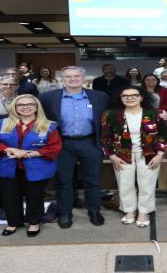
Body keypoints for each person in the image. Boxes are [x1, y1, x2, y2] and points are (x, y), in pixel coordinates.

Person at [39, 66, 109, 228]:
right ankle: (65, 211)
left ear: (83, 78)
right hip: (61, 143)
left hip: (90, 142)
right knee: (63, 179)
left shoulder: (99, 96)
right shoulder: (48, 97)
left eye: (76, 76)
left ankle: (94, 210)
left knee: (93, 179)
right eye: (68, 76)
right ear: (62, 79)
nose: (72, 79)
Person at [0, 95, 62, 237]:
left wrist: (28, 154)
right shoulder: (2, 123)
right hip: (8, 166)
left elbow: (54, 147)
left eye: (30, 104)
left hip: (37, 167)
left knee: (35, 196)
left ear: (37, 107)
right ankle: (13, 223)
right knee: (10, 196)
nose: (26, 107)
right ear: (14, 107)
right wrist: (10, 149)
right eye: (21, 105)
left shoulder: (49, 126)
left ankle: (34, 222)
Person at [101, 86, 167, 228]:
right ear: (120, 98)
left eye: (134, 95)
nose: (129, 98)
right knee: (125, 184)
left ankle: (144, 212)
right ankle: (129, 211)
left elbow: (164, 135)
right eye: (125, 95)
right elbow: (105, 137)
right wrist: (112, 156)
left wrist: (159, 155)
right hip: (122, 155)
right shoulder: (111, 114)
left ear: (141, 97)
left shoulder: (154, 114)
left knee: (147, 184)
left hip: (149, 155)